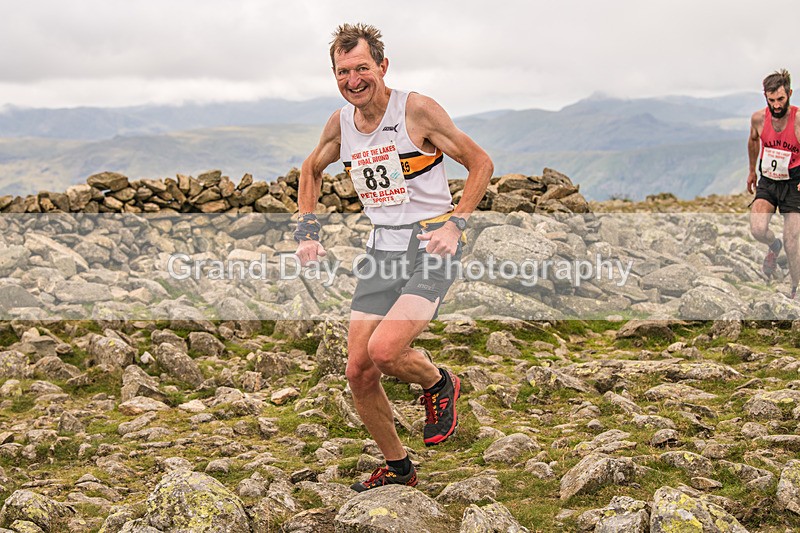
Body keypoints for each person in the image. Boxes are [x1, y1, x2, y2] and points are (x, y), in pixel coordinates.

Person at [294, 23, 493, 491]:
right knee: (358, 370)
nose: (353, 80)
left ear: (383, 66)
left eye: (362, 68)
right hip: (383, 249)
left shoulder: (416, 110)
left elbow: (480, 162)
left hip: (431, 247)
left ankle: (438, 382)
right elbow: (311, 168)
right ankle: (398, 468)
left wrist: (455, 224)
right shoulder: (341, 123)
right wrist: (307, 230)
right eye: (343, 72)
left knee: (385, 351)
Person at [748, 69, 800, 298]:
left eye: (781, 99)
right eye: (772, 100)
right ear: (765, 97)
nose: (777, 105)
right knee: (758, 229)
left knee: (792, 241)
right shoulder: (758, 119)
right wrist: (752, 171)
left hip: (794, 182)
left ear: (789, 94)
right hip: (769, 179)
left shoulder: (798, 120)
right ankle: (773, 246)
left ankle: (795, 289)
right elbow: (753, 140)